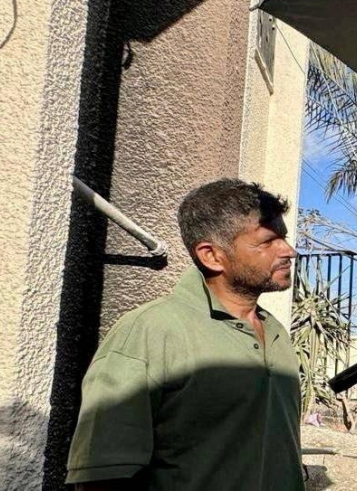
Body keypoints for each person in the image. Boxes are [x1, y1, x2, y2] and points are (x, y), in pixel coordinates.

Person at [66, 179, 303, 490]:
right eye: (268, 241)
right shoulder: (150, 331)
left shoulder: (275, 332)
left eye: (283, 238)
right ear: (211, 256)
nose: (289, 251)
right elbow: (103, 476)